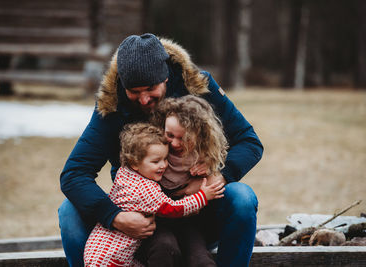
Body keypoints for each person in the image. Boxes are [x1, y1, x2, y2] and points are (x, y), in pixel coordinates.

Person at [59, 33, 263, 267]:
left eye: (150, 88)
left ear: (165, 77)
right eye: (134, 91)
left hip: (198, 214)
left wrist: (217, 177)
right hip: (142, 223)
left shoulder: (197, 87)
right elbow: (74, 174)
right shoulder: (112, 105)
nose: (144, 99)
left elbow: (249, 141)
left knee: (242, 197)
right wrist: (114, 216)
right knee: (69, 212)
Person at [84, 123, 225, 266]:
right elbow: (173, 208)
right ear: (135, 163)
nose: (163, 165)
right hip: (110, 258)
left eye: (165, 159)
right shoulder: (144, 189)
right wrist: (203, 196)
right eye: (156, 161)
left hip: (102, 252)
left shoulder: (126, 174)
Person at [135, 95, 228, 267]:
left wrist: (209, 172)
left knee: (200, 259)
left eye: (184, 138)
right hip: (158, 220)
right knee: (165, 247)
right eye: (170, 135)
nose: (175, 143)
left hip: (190, 221)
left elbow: (219, 167)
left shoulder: (204, 153)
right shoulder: (154, 149)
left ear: (199, 134)